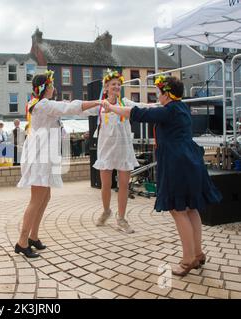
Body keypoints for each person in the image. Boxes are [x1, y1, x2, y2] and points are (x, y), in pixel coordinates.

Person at [104, 75, 222, 276]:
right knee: (191, 208)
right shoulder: (181, 107)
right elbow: (146, 111)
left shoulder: (169, 110)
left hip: (177, 163)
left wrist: (111, 107)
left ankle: (187, 260)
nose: (158, 95)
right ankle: (198, 253)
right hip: (190, 160)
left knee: (178, 210)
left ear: (167, 94)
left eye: (159, 92)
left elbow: (135, 113)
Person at [15, 71, 103, 258]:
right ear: (46, 88)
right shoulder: (43, 104)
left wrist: (101, 107)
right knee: (36, 199)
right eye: (52, 85)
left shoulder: (45, 104)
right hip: (40, 156)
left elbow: (73, 108)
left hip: (46, 154)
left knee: (44, 198)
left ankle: (33, 237)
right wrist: (98, 102)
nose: (54, 88)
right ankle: (21, 242)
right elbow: (69, 108)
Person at [87, 69, 152, 234]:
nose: (116, 87)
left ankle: (121, 218)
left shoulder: (125, 103)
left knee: (123, 185)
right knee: (106, 185)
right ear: (106, 87)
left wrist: (157, 105)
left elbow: (142, 107)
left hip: (123, 150)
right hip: (106, 150)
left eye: (118, 84)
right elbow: (82, 108)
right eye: (113, 84)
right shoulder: (100, 105)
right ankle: (106, 210)